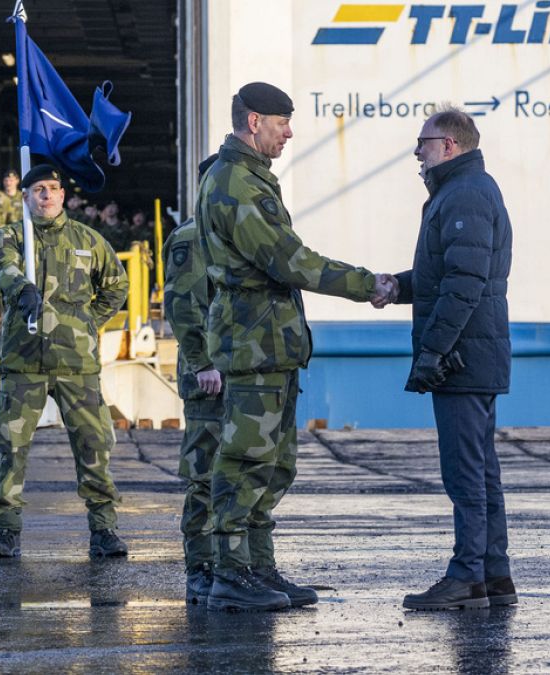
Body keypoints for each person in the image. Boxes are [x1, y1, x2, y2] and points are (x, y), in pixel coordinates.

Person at [195, 82, 393, 612]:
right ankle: (231, 574)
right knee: (244, 460)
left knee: (275, 462)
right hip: (253, 340)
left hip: (270, 341)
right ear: (254, 120)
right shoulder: (235, 181)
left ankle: (258, 567)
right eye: (283, 121)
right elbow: (290, 261)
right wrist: (366, 284)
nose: (290, 131)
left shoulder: (249, 176)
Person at [383, 107, 515, 611]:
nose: (417, 151)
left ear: (449, 145)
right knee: (480, 472)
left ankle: (466, 578)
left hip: (463, 359)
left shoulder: (465, 195)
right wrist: (397, 287)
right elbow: (446, 275)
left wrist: (434, 352)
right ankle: (493, 577)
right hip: (473, 355)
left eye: (423, 142)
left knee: (465, 474)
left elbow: (464, 285)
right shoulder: (462, 193)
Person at [0, 164, 129, 559]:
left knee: (93, 444)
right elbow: (1, 268)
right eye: (38, 190)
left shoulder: (87, 240)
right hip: (24, 361)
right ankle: (7, 531)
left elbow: (117, 285)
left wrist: (86, 323)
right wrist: (21, 288)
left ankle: (104, 528)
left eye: (52, 189)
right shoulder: (12, 237)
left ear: (63, 195)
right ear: (26, 197)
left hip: (76, 363)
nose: (46, 196)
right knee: (11, 447)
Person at [163, 154, 222, 605]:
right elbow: (183, 308)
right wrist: (202, 363)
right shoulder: (191, 237)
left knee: (241, 472)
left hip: (238, 371)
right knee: (204, 473)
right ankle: (200, 566)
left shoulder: (234, 233)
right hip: (208, 377)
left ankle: (236, 564)